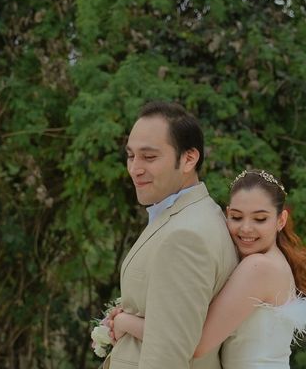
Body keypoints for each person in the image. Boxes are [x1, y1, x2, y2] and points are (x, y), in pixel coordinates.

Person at [107, 169, 306, 369]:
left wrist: (124, 322)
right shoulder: (268, 260)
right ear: (226, 213)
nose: (246, 228)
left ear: (281, 220)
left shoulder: (258, 267)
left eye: (260, 219)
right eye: (236, 217)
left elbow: (194, 343)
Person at [102, 101, 238, 369]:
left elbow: (169, 355)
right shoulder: (189, 216)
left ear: (189, 159)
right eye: (131, 156)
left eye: (149, 157)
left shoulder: (187, 236)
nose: (135, 169)